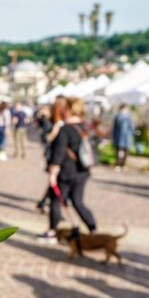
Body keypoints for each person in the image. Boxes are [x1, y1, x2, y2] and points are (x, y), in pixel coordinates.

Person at [39, 97, 97, 243]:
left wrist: (52, 174)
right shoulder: (85, 126)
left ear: (69, 110)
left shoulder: (65, 129)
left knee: (56, 201)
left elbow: (58, 154)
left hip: (66, 172)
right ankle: (93, 228)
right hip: (82, 170)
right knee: (78, 201)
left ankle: (52, 232)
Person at [36, 97, 66, 214]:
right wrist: (55, 129)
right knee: (55, 181)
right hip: (54, 155)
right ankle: (47, 204)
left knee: (55, 181)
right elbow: (46, 138)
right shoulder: (50, 122)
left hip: (59, 155)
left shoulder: (61, 121)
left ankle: (44, 203)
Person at [112, 104, 135, 172]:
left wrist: (132, 135)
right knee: (119, 152)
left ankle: (123, 165)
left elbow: (131, 127)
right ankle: (118, 164)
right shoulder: (118, 116)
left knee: (125, 152)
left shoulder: (128, 117)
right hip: (119, 137)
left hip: (126, 137)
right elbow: (115, 128)